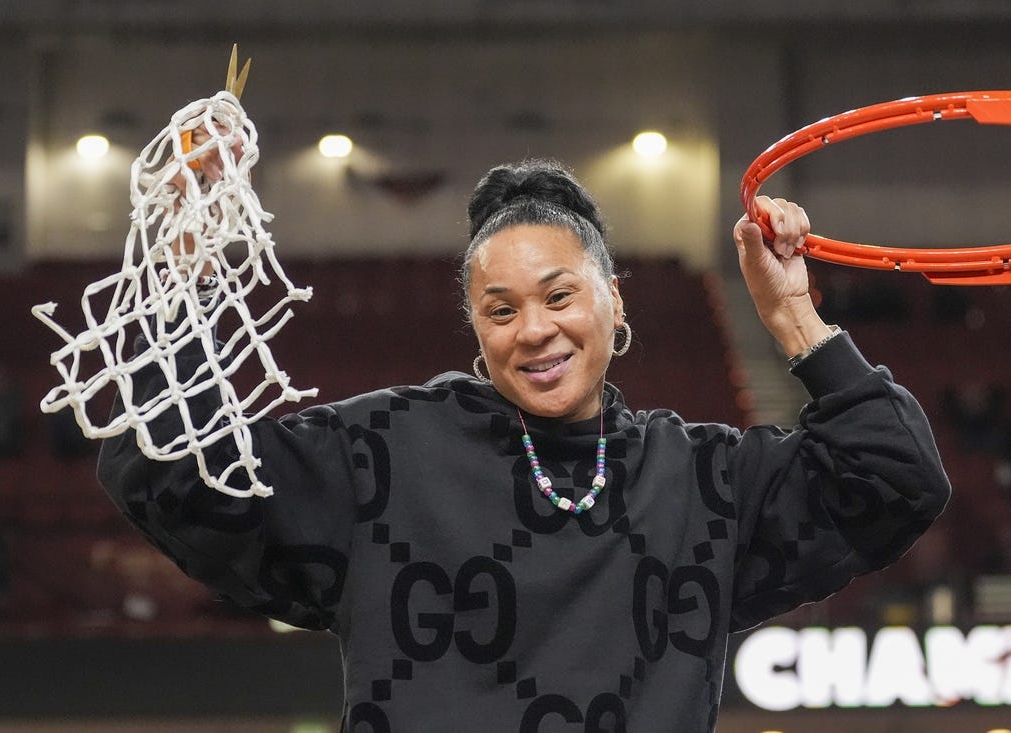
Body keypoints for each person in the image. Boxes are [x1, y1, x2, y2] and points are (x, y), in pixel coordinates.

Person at [98, 145, 950, 730]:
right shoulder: (380, 456)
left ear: (614, 298)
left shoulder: (702, 480)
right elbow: (165, 467)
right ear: (474, 327)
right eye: (499, 309)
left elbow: (896, 479)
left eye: (559, 295)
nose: (532, 330)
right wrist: (180, 274)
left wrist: (790, 312)